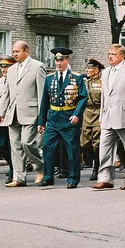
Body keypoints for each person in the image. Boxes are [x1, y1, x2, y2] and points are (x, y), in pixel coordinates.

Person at [91, 44, 125, 190]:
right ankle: (105, 179)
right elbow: (104, 95)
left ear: (122, 56)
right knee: (105, 149)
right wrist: (102, 113)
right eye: (109, 54)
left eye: (113, 54)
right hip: (108, 116)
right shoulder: (106, 72)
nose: (110, 56)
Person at [0, 41, 46, 187]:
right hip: (13, 113)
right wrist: (1, 111)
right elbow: (6, 92)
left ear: (26, 51)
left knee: (27, 143)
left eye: (17, 51)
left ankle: (41, 166)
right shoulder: (11, 70)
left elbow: (42, 93)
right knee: (15, 146)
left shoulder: (38, 67)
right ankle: (19, 178)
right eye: (13, 52)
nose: (15, 54)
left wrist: (42, 116)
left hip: (31, 112)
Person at [38, 48, 87, 189]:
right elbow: (45, 101)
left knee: (72, 150)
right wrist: (41, 121)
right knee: (47, 148)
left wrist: (77, 114)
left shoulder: (76, 78)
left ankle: (73, 178)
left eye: (62, 60)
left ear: (67, 60)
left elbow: (83, 97)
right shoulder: (49, 79)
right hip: (53, 118)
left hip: (69, 118)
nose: (59, 63)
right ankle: (48, 177)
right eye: (57, 60)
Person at [81, 58, 105, 181]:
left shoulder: (102, 81)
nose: (87, 70)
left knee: (97, 143)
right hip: (86, 113)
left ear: (96, 70)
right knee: (84, 143)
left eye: (89, 68)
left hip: (98, 112)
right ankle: (96, 160)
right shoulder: (85, 82)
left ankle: (97, 168)